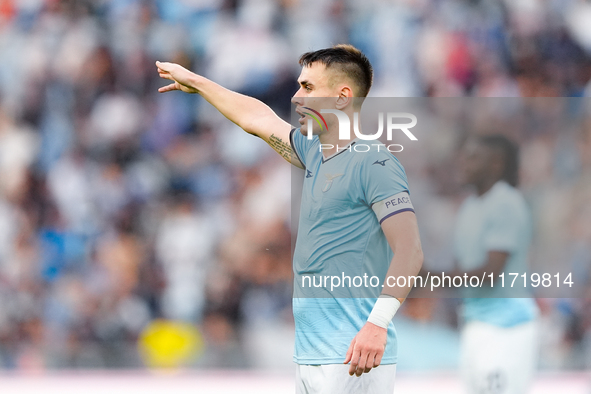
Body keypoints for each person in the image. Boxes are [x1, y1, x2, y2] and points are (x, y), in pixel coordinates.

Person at [156, 44, 423, 393]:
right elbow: (259, 119)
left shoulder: (374, 163)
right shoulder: (314, 153)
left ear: (342, 97)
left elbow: (410, 251)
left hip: (354, 357)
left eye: (308, 88)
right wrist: (198, 82)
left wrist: (377, 325)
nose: (297, 98)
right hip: (312, 356)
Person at [453, 135, 539, 394]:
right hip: (476, 321)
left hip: (507, 327)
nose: (464, 163)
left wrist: (428, 278)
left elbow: (490, 273)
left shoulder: (506, 202)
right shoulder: (469, 206)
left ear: (496, 164)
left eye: (473, 157)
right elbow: (461, 269)